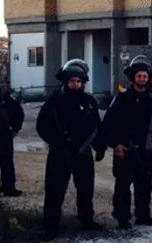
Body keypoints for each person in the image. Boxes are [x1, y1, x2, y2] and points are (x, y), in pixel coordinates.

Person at [36, 59, 106, 241]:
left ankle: (86, 220)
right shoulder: (55, 102)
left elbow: (96, 127)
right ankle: (51, 227)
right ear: (65, 81)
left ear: (83, 82)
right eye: (72, 81)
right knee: (54, 191)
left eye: (78, 81)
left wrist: (99, 147)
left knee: (86, 189)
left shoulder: (89, 101)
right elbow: (42, 126)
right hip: (60, 154)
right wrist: (58, 142)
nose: (75, 84)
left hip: (83, 154)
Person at [102, 56, 152, 229]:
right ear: (133, 78)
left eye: (145, 76)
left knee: (145, 186)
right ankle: (122, 218)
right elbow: (109, 124)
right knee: (123, 187)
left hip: (146, 150)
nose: (142, 79)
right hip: (125, 150)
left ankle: (143, 215)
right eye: (139, 76)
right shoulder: (122, 98)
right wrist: (116, 144)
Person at [0, 75, 25, 198]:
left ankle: (9, 188)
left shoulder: (4, 98)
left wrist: (14, 129)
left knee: (7, 162)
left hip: (4, 135)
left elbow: (18, 113)